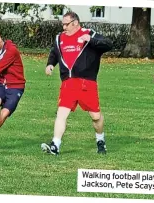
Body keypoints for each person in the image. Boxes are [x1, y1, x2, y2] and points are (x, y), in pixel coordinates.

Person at [40, 11, 113, 156]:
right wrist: (50, 64)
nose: (64, 27)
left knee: (96, 117)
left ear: (75, 23)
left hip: (87, 83)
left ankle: (100, 140)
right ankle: (55, 145)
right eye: (62, 24)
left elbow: (108, 44)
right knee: (61, 114)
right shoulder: (59, 38)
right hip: (68, 83)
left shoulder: (89, 33)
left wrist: (91, 40)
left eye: (66, 24)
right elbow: (55, 52)